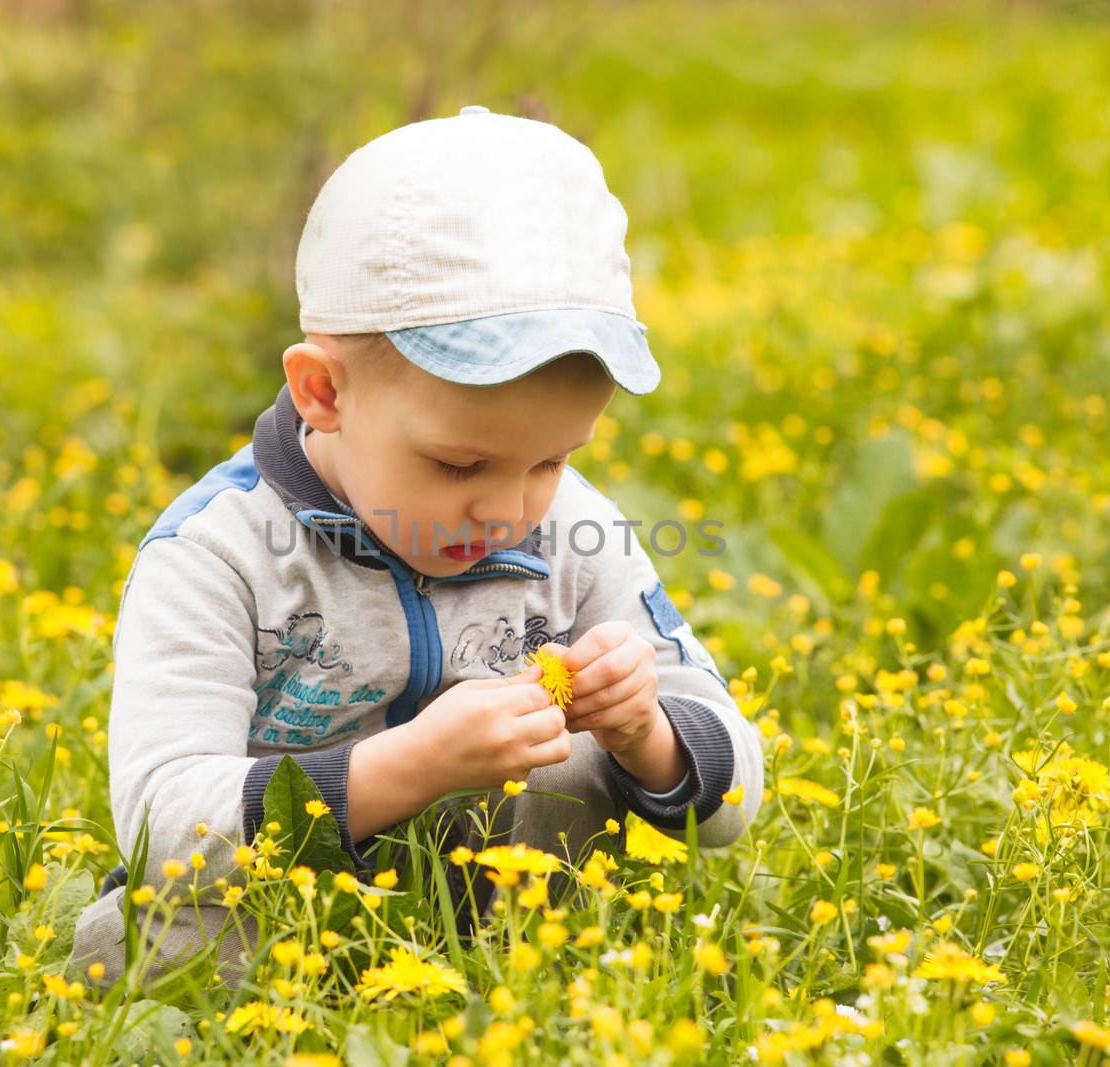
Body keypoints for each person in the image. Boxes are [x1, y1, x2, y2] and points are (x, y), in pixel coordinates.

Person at [70, 104, 765, 988]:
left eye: (551, 459)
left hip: (505, 913)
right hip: (292, 910)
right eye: (460, 463)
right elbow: (160, 817)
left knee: (577, 768)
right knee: (128, 947)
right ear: (323, 391)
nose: (510, 510)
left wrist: (649, 732)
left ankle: (521, 982)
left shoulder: (575, 532)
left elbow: (736, 793)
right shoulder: (217, 554)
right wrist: (410, 766)